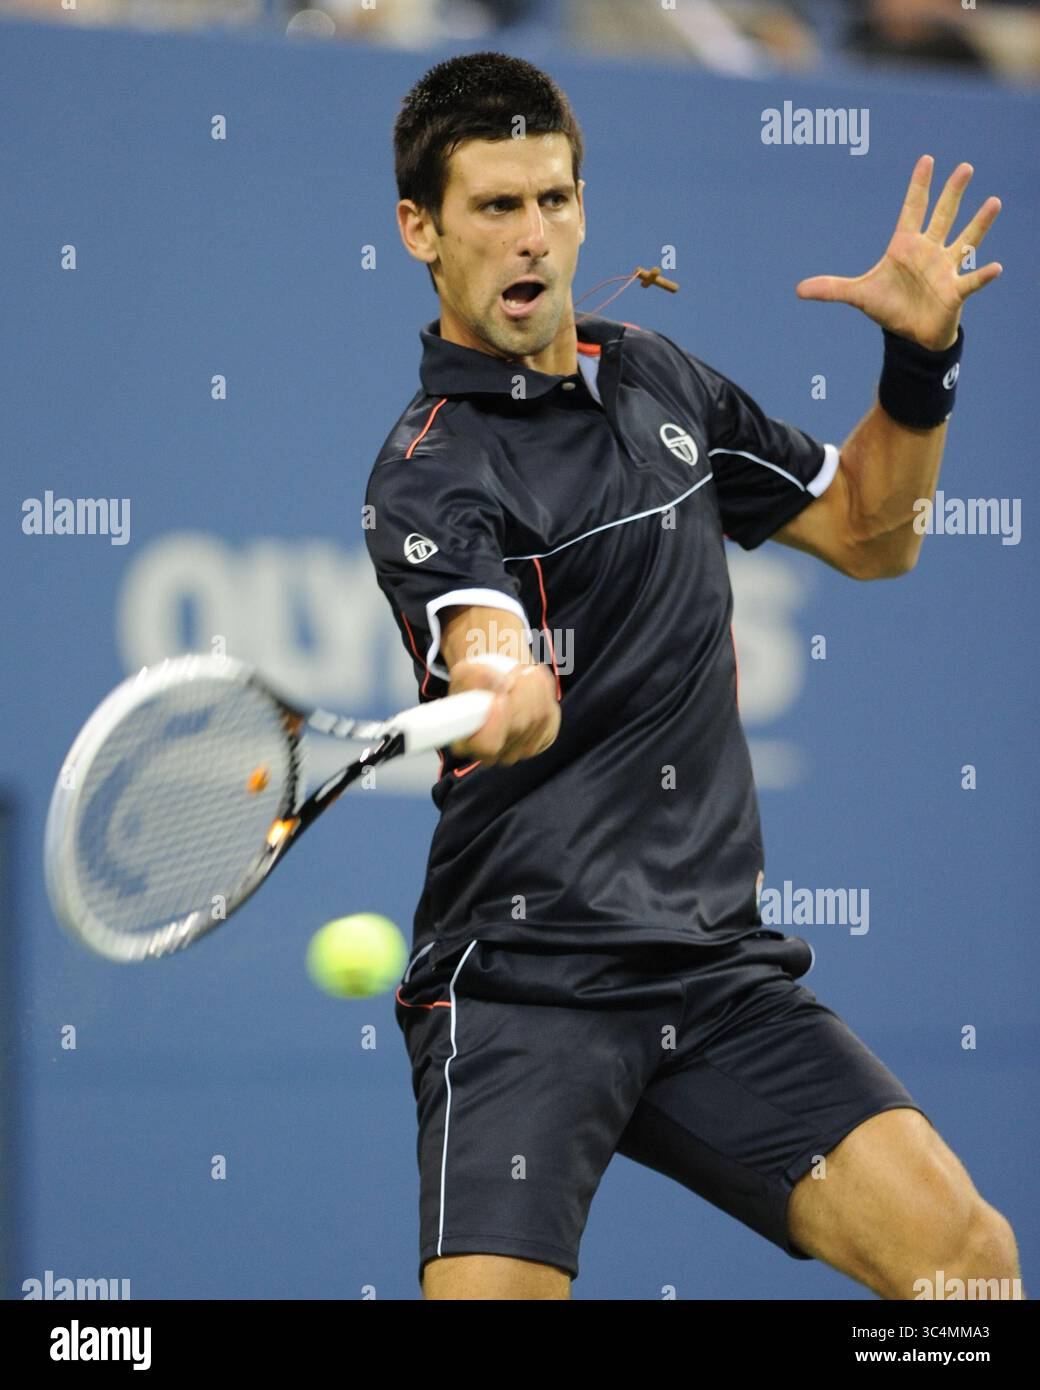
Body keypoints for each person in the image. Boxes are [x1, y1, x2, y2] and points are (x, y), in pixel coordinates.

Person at [363, 51, 1020, 1301]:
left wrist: (918, 364)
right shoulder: (426, 473)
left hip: (711, 975)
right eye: (494, 207)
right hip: (522, 983)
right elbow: (482, 634)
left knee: (966, 1268)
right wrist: (505, 681)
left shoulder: (659, 377)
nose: (531, 237)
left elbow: (874, 534)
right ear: (420, 230)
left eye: (553, 200)